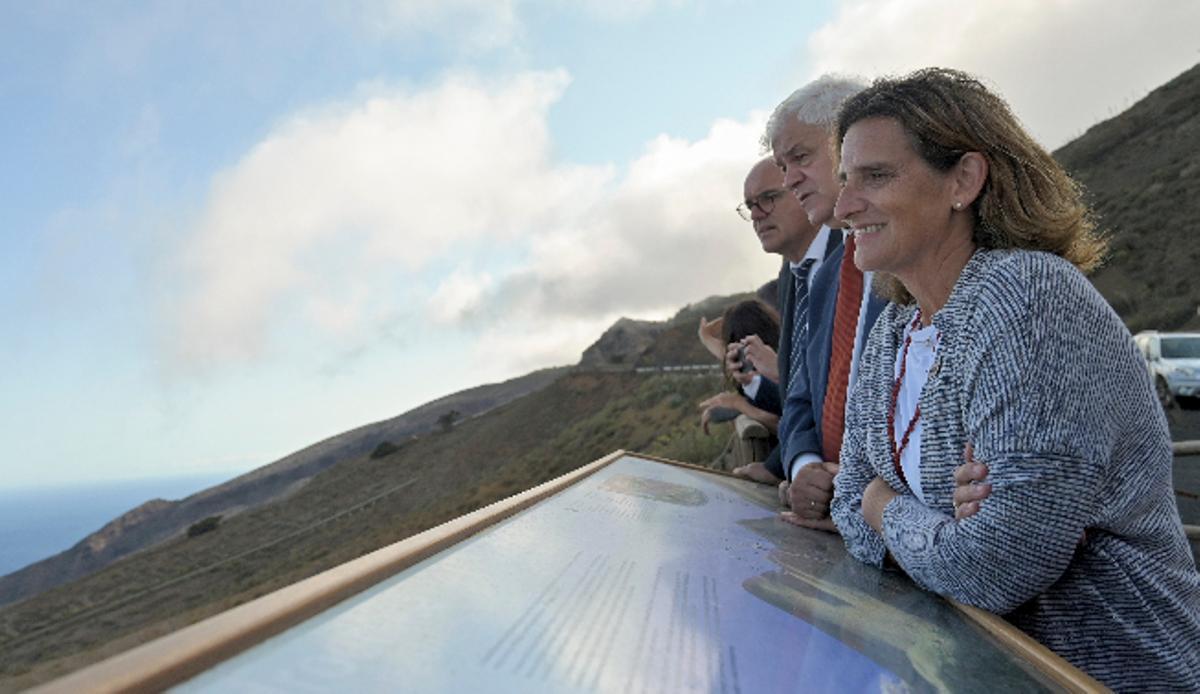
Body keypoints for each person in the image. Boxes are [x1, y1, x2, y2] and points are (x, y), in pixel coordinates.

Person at [827, 67, 1200, 690]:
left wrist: (883, 504)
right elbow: (846, 499)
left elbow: (999, 565)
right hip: (975, 665)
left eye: (876, 175)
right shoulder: (893, 332)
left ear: (964, 180)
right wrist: (938, 519)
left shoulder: (1027, 296)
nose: (842, 207)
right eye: (844, 180)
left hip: (1102, 673)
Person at [762, 76, 887, 528]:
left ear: (851, 143)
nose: (789, 179)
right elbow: (800, 400)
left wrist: (862, 497)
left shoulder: (921, 262)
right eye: (782, 165)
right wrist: (804, 468)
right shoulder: (826, 278)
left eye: (800, 157)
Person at [701, 157, 839, 485]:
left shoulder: (852, 260)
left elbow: (833, 394)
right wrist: (781, 466)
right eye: (750, 205)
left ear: (804, 189)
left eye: (769, 198)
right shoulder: (791, 273)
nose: (757, 215)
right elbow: (802, 394)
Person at [698, 300, 782, 435]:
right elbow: (725, 353)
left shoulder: (766, 371)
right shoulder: (780, 356)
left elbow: (776, 420)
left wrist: (736, 403)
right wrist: (705, 337)